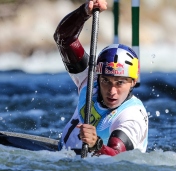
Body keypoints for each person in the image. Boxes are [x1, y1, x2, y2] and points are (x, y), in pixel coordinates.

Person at [53, 0, 148, 156]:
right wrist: (84, 11)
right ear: (98, 76)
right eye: (106, 81)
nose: (112, 91)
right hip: (63, 155)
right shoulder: (90, 80)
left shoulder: (132, 115)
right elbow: (63, 37)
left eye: (120, 83)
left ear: (132, 82)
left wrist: (96, 144)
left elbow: (116, 155)